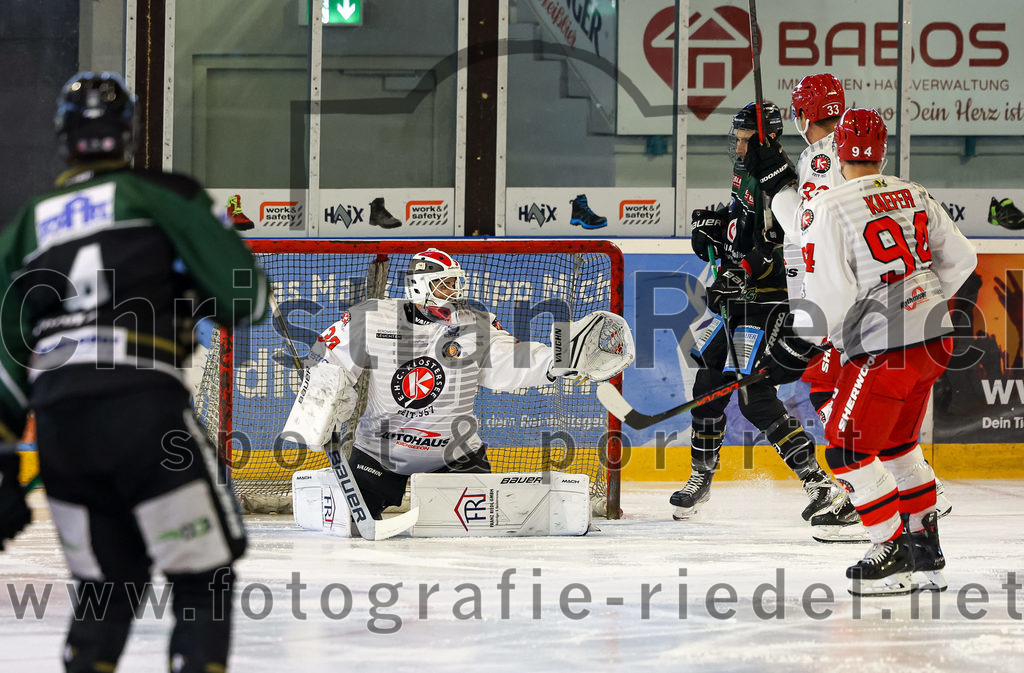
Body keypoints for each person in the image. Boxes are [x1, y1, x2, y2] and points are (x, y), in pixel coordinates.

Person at [0, 72, 269, 672]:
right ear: (128, 134)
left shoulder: (28, 222)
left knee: (105, 587)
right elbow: (243, 299)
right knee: (203, 577)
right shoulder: (162, 194)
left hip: (60, 420)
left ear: (63, 138)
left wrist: (1, 458)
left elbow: (6, 357)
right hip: (143, 406)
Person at [286, 247, 632, 520]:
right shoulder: (371, 316)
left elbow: (508, 361)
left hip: (454, 455)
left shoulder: (473, 324)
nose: (453, 292)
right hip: (379, 454)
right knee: (350, 523)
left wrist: (556, 363)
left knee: (480, 530)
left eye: (455, 284)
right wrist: (326, 404)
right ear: (420, 285)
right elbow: (328, 362)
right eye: (444, 284)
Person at [745, 73, 953, 519]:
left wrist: (778, 188)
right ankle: (898, 483)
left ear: (802, 115)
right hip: (866, 303)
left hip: (843, 306)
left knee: (833, 400)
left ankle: (868, 488)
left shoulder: (822, 157)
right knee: (838, 397)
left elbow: (808, 227)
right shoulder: (840, 153)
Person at [790, 108, 977, 596]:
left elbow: (831, 295)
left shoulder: (831, 205)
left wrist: (805, 340)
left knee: (845, 449)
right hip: (937, 338)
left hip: (887, 348)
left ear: (837, 151)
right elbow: (962, 259)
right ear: (881, 149)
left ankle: (890, 548)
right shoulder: (913, 191)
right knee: (896, 447)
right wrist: (923, 301)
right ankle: (925, 552)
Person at [676, 102, 855, 532]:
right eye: (735, 138)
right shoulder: (744, 171)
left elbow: (788, 246)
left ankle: (817, 483)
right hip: (737, 299)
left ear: (766, 138)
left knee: (753, 393)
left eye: (744, 138)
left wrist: (744, 271)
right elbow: (744, 226)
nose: (737, 145)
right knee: (707, 382)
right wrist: (715, 228)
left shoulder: (786, 182)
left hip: (769, 301)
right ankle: (702, 474)